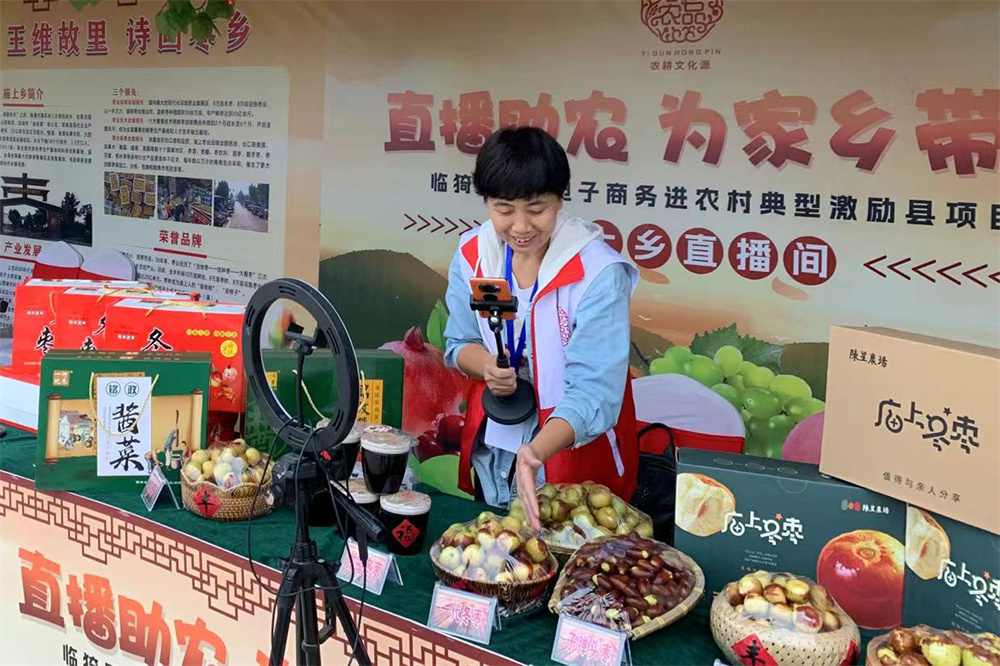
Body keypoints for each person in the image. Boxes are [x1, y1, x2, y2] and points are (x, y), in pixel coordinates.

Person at [443, 127, 639, 530]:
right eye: (503, 209)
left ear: (560, 199)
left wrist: (535, 452)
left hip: (569, 453)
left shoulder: (598, 273)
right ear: (486, 202)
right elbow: (458, 342)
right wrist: (487, 366)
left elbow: (595, 393)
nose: (520, 226)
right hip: (496, 449)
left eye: (536, 209)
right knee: (496, 549)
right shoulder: (473, 254)